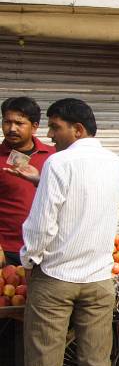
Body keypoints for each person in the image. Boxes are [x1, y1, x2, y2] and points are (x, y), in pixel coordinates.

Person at [20, 98, 119, 366]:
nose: (50, 134)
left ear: (77, 130)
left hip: (56, 279)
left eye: (56, 126)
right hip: (98, 279)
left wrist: (28, 259)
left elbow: (42, 225)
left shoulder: (58, 163)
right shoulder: (115, 163)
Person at [1, 97, 55, 265]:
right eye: (7, 122)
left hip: (46, 250)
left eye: (19, 123)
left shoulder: (54, 157)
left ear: (35, 126)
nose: (11, 129)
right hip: (7, 251)